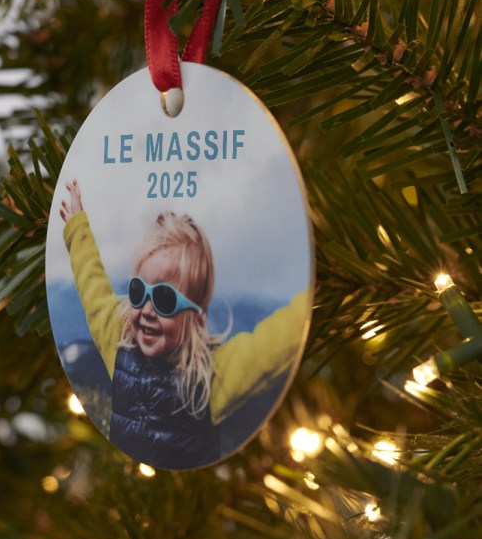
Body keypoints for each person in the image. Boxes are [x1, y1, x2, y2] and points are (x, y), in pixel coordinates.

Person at [59, 179, 307, 469]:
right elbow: (93, 286)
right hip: (127, 480)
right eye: (139, 292)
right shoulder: (118, 337)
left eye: (165, 298)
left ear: (197, 316)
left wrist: (318, 286)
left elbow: (273, 342)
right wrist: (77, 227)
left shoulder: (213, 377)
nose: (147, 310)